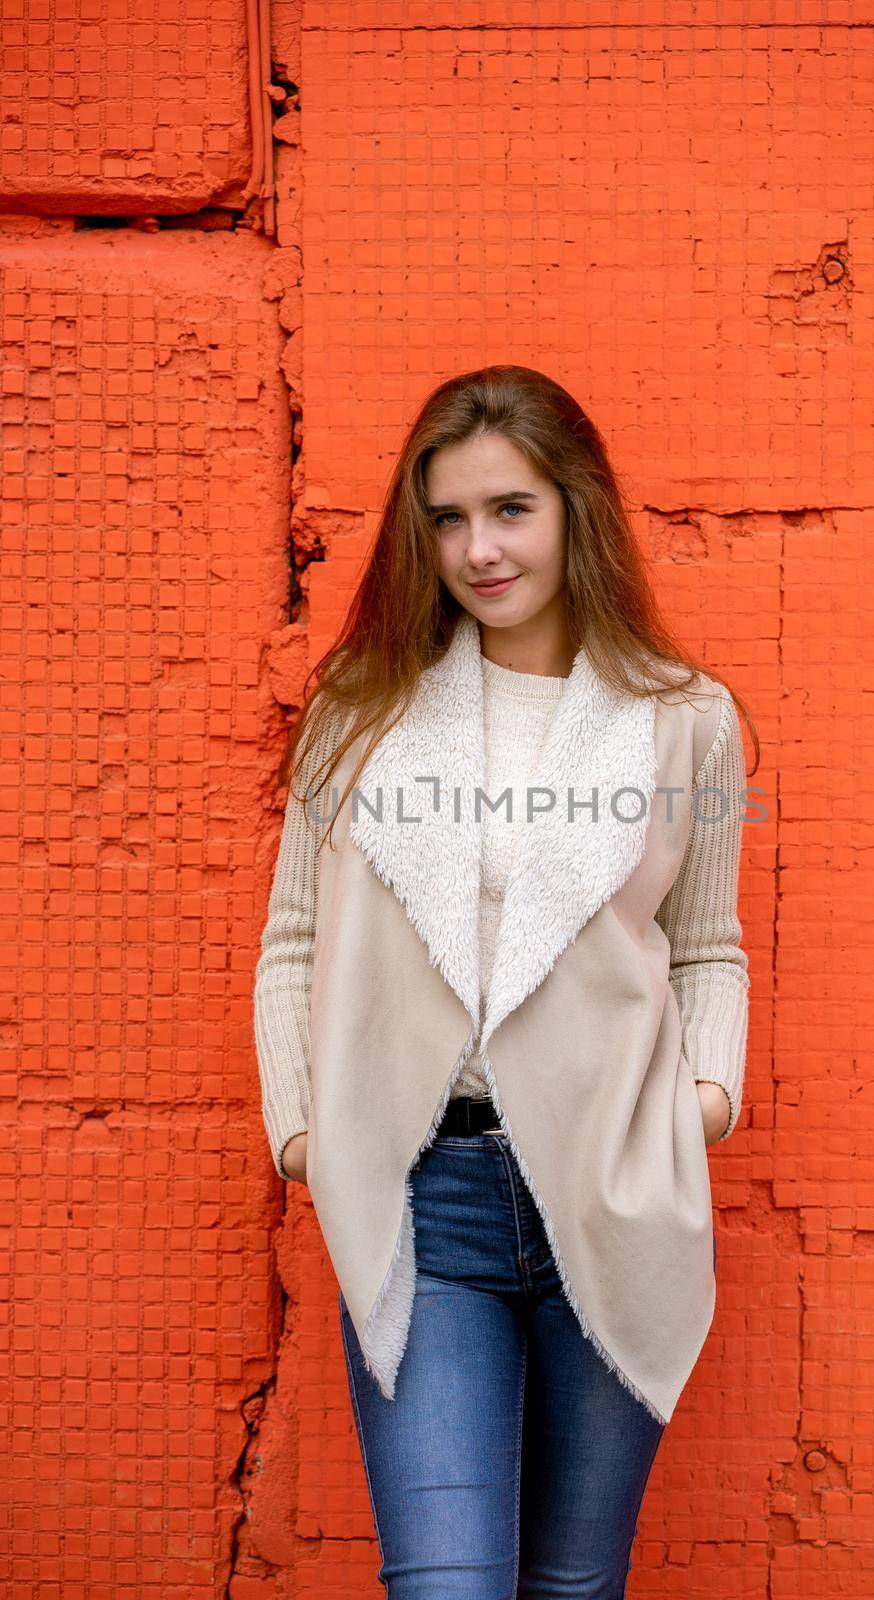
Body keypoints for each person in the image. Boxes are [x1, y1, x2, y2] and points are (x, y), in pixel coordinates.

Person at [253, 364, 758, 1598]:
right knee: (447, 1580)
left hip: (608, 1184)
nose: (478, 549)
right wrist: (309, 1137)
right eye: (445, 518)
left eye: (510, 509)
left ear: (574, 508)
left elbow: (706, 948)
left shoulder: (682, 720)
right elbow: (293, 945)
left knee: (575, 1583)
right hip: (428, 1202)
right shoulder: (358, 712)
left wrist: (695, 1111)